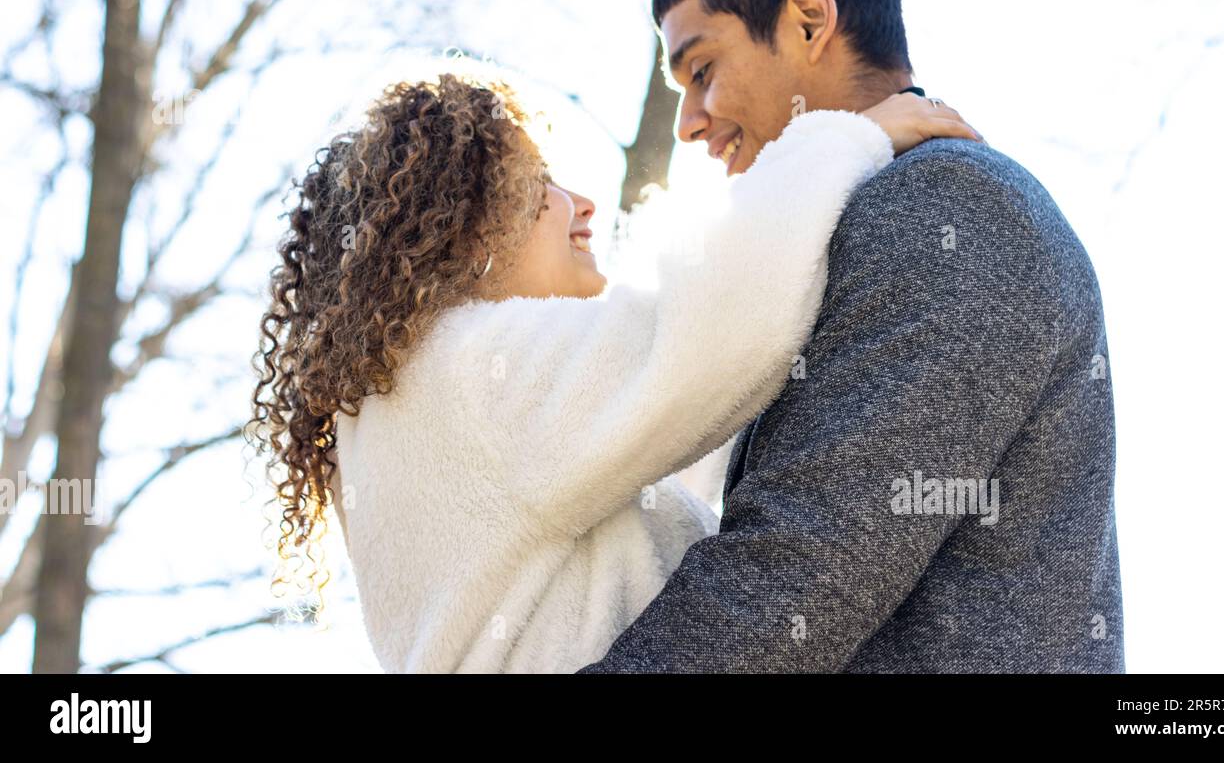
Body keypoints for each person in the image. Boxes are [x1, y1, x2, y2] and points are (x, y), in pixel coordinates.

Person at [247, 69, 975, 672]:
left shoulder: (392, 418)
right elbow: (712, 331)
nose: (583, 205)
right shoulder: (461, 378)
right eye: (537, 190)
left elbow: (679, 456)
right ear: (456, 234)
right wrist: (852, 134)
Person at [578, 0, 1124, 673]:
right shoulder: (844, 232)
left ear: (808, 19)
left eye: (701, 71)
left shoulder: (949, 204)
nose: (689, 123)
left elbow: (798, 572)